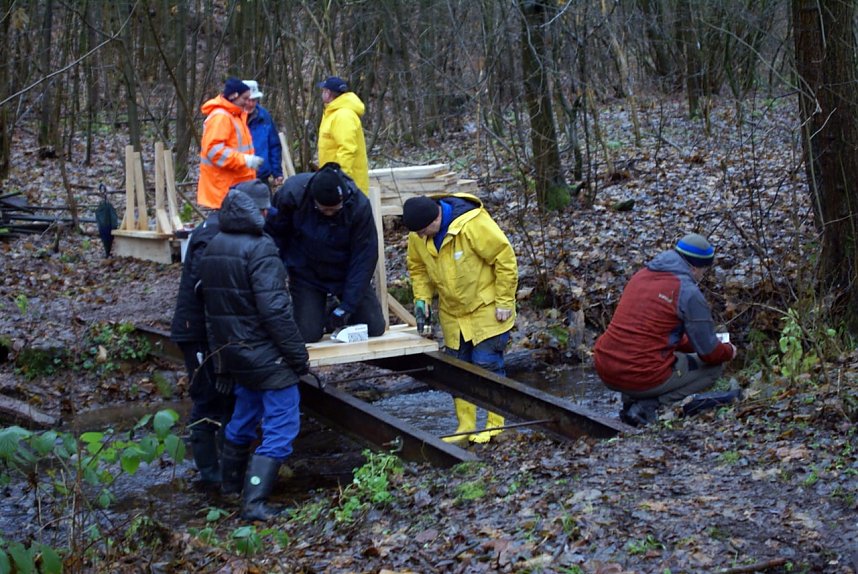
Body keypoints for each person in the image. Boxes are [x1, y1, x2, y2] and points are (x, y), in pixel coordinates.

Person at [198, 186, 309, 521]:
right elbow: (276, 312)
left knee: (243, 416)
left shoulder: (214, 244)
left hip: (236, 353)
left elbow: (210, 311)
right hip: (267, 356)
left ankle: (230, 489)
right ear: (261, 212)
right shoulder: (261, 249)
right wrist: (298, 357)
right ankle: (255, 503)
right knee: (282, 425)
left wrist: (222, 361)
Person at [170, 179, 269, 489]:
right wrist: (223, 363)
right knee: (208, 397)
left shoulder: (220, 230)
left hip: (216, 331)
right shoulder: (211, 236)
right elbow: (211, 302)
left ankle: (228, 469)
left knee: (227, 399)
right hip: (199, 331)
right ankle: (210, 474)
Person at [402, 194, 518, 444]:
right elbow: (418, 269)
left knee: (486, 364)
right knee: (458, 368)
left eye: (424, 231)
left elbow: (505, 260)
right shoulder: (419, 234)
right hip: (453, 313)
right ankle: (465, 425)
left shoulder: (472, 224)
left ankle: (494, 424)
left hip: (486, 308)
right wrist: (423, 305)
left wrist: (505, 301)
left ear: (437, 217)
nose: (422, 237)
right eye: (418, 233)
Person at [593, 233, 738, 426]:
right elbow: (710, 353)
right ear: (695, 267)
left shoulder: (642, 275)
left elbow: (658, 334)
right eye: (704, 270)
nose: (702, 276)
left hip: (604, 366)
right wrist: (729, 351)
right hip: (641, 375)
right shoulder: (688, 292)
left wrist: (691, 345)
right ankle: (650, 404)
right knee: (713, 368)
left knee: (651, 354)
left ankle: (630, 401)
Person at [265, 162, 385, 343]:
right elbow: (275, 235)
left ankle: (333, 310)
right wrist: (278, 270)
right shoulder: (293, 195)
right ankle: (316, 309)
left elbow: (364, 258)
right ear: (314, 200)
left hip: (345, 274)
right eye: (323, 209)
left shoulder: (359, 206)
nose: (329, 214)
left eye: (334, 210)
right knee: (308, 335)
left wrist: (347, 306)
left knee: (374, 327)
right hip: (307, 272)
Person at [197, 77, 263, 209]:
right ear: (233, 96)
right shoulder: (221, 117)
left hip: (233, 188)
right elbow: (214, 151)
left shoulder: (235, 115)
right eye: (245, 98)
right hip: (223, 189)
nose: (247, 103)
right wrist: (245, 160)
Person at [317, 76, 369, 195]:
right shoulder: (332, 113)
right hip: (333, 179)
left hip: (346, 184)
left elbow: (347, 150)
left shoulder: (343, 116)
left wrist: (340, 179)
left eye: (324, 91)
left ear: (328, 93)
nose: (322, 94)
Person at [242, 80, 284, 187]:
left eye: (254, 100)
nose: (251, 104)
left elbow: (274, 145)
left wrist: (277, 172)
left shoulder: (264, 116)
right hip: (239, 179)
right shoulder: (232, 117)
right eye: (248, 100)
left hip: (262, 177)